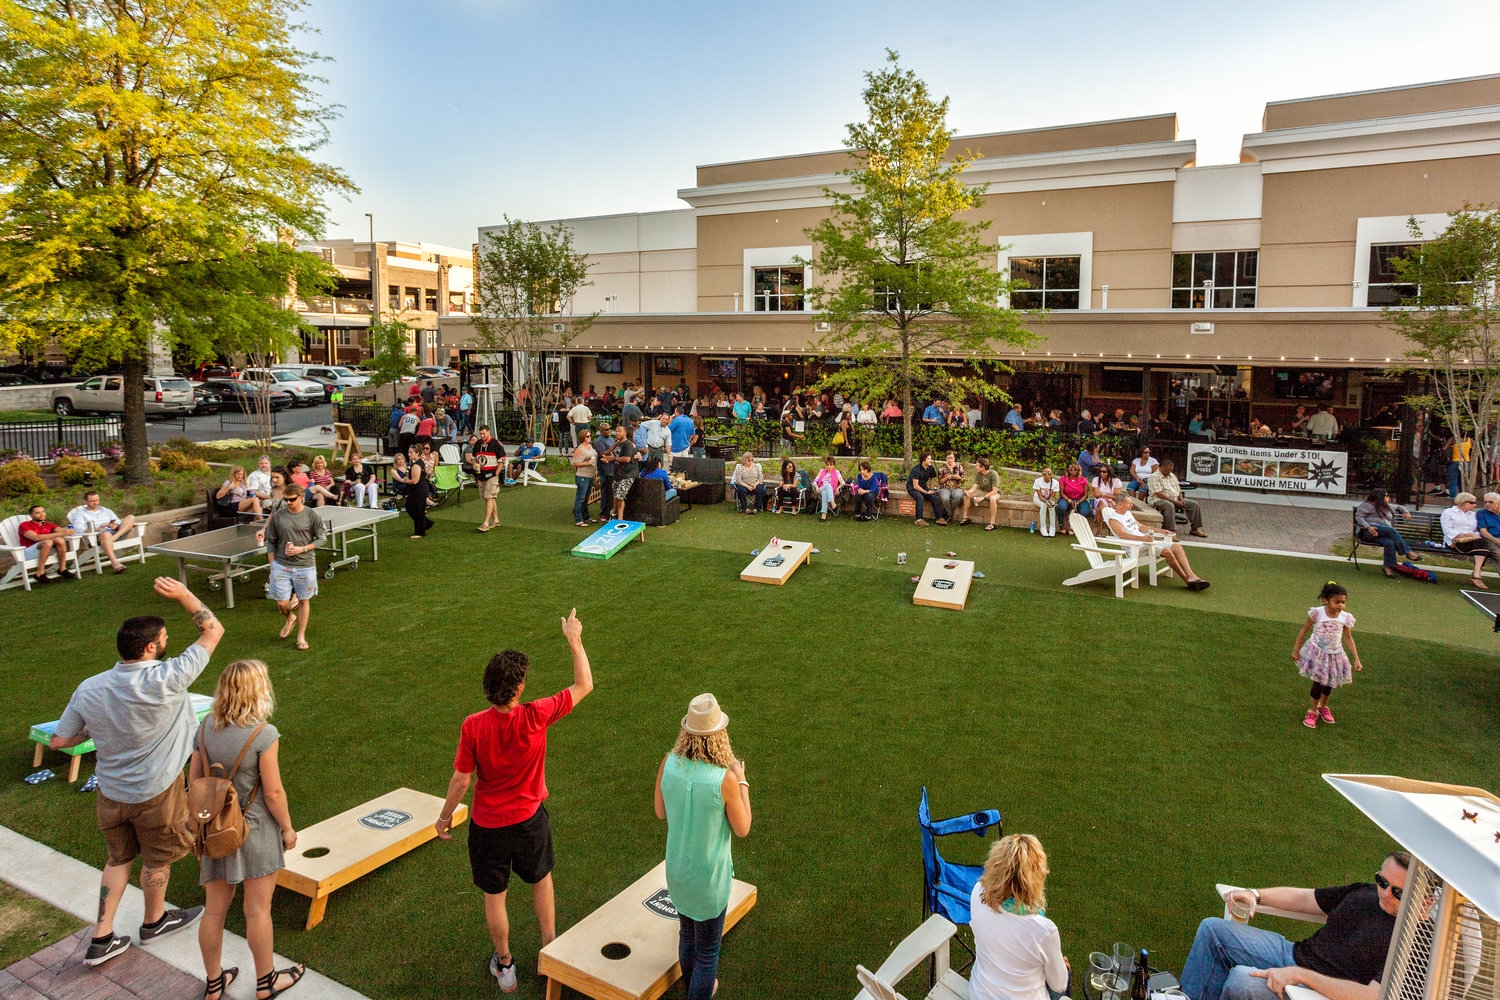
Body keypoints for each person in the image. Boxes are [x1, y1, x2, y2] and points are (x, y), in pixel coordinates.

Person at [49, 578, 224, 966]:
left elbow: (60, 741)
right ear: (150, 647)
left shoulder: (90, 688)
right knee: (156, 861)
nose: (166, 642)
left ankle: (102, 937)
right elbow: (213, 629)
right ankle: (154, 922)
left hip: (111, 792)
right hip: (157, 793)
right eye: (163, 638)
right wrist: (182, 595)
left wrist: (94, 731)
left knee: (118, 860)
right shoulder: (168, 677)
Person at [436, 610, 594, 994]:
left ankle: (505, 964)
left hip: (489, 826)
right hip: (531, 821)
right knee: (541, 881)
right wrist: (574, 639)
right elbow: (584, 684)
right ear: (519, 687)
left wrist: (444, 817)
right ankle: (550, 949)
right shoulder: (536, 714)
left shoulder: (473, 725)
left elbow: (461, 779)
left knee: (496, 896)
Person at [192, 659, 302, 1000]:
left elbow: (194, 782)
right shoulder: (263, 733)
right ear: (259, 691)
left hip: (214, 831)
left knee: (213, 910)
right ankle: (266, 981)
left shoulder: (206, 727)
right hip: (254, 830)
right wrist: (287, 828)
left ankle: (213, 982)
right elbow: (273, 792)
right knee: (256, 911)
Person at [1180, 852, 1410, 1000]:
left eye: (1397, 892)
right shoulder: (1365, 893)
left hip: (1318, 991)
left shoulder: (1414, 940)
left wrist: (1301, 976)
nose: (1386, 893)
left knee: (1241, 981)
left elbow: (1372, 996)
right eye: (1382, 881)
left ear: (1425, 899)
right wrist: (1255, 895)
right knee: (1213, 930)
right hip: (1292, 955)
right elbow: (1306, 899)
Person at [652, 694, 752, 1000]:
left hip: (678, 872)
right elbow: (743, 827)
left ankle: (695, 990)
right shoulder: (725, 780)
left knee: (687, 937)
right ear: (719, 735)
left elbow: (659, 811)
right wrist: (743, 782)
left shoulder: (668, 763)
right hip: (709, 881)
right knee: (708, 953)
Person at [968, 834, 1069, 1000]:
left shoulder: (978, 892)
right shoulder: (1044, 930)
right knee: (1065, 975)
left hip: (979, 994)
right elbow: (1059, 985)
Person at [1292, 581, 1363, 729]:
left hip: (1335, 654)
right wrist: (1296, 650)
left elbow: (1348, 637)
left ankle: (1323, 706)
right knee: (1318, 682)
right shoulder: (1317, 613)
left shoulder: (1345, 617)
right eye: (1337, 602)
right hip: (1317, 653)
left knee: (1329, 682)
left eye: (1343, 602)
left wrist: (1356, 658)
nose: (1341, 606)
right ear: (1326, 600)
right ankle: (1312, 710)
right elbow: (1304, 631)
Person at [1103, 492, 1210, 590]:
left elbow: (1141, 526)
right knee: (1167, 552)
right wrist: (1142, 538)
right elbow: (1122, 535)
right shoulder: (1114, 519)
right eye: (1129, 503)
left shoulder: (1127, 514)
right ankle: (1187, 580)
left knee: (1177, 547)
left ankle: (1191, 575)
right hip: (1136, 548)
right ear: (1120, 504)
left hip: (1146, 543)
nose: (1131, 505)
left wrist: (1161, 531)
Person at [264, 485, 325, 650]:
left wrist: (302, 548)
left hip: (305, 565)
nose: (289, 503)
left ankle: (301, 635)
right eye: (286, 500)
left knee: (304, 600)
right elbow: (271, 541)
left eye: (292, 499)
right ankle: (290, 617)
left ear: (301, 497)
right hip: (281, 565)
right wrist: (272, 564)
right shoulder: (278, 516)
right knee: (282, 603)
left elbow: (322, 538)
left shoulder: (312, 515)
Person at [69, 490, 139, 574]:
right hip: (97, 538)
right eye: (92, 501)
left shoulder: (106, 510)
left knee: (131, 517)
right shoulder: (80, 514)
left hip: (116, 533)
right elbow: (77, 529)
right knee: (106, 534)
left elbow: (119, 522)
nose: (95, 503)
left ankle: (112, 539)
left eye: (97, 500)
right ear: (86, 501)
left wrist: (115, 526)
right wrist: (96, 529)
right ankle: (115, 563)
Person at [1354, 488, 1416, 579]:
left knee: (1389, 542)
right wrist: (1368, 526)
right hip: (1368, 532)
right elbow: (1358, 517)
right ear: (1380, 497)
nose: (1388, 497)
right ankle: (1407, 552)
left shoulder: (1386, 506)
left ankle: (1388, 568)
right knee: (1391, 530)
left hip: (1381, 534)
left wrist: (1406, 512)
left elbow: (1399, 507)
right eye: (1386, 496)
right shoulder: (1368, 505)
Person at [1441, 493, 1489, 588]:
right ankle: (1477, 575)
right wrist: (1461, 535)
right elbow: (1447, 529)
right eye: (1472, 503)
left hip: (1473, 540)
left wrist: (1472, 535)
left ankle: (1476, 572)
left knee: (1482, 543)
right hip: (1456, 541)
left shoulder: (1474, 515)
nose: (1474, 505)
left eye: (1475, 503)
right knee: (1482, 545)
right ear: (1463, 502)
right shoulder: (1448, 512)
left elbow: (1478, 531)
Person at [1149, 460, 1207, 538]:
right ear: (1161, 467)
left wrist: (1181, 500)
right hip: (1158, 500)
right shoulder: (1154, 476)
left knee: (1194, 504)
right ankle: (1170, 532)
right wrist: (1175, 502)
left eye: (1171, 470)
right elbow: (1159, 493)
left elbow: (1178, 489)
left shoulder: (1172, 475)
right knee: (1169, 505)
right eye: (1167, 470)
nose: (1169, 472)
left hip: (1175, 498)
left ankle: (1195, 529)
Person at [469, 426, 504, 533]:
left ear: (488, 432)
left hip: (492, 475)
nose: (482, 436)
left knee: (489, 497)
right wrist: (474, 464)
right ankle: (496, 520)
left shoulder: (496, 444)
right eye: (481, 434)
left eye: (484, 433)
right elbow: (474, 457)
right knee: (488, 498)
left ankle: (486, 523)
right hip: (481, 475)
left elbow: (501, 460)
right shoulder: (478, 444)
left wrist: (496, 474)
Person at [609, 425, 642, 520]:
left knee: (619, 495)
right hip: (618, 473)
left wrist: (614, 458)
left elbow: (627, 459)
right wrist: (608, 458)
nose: (617, 433)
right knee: (617, 496)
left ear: (625, 433)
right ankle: (614, 514)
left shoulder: (628, 444)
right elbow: (611, 454)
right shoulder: (617, 444)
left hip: (628, 473)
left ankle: (619, 518)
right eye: (616, 431)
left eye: (619, 431)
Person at [401, 448, 434, 538]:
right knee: (410, 507)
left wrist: (407, 480)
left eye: (411, 452)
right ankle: (427, 523)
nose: (409, 454)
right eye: (409, 452)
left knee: (417, 509)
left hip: (419, 489)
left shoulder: (416, 465)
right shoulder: (417, 463)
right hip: (418, 489)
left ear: (417, 453)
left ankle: (420, 532)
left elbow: (415, 481)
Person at [961, 457, 1002, 530]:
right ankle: (965, 518)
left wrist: (983, 497)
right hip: (983, 491)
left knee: (992, 498)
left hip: (994, 493)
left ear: (983, 467)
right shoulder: (978, 474)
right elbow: (974, 487)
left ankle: (992, 523)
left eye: (977, 465)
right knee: (967, 496)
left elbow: (995, 491)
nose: (976, 467)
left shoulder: (993, 474)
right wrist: (968, 491)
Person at [907, 452, 944, 526]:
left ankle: (939, 518)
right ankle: (919, 519)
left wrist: (931, 489)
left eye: (931, 458)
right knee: (920, 497)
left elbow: (932, 479)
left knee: (934, 496)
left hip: (923, 486)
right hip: (912, 488)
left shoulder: (931, 468)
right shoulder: (916, 470)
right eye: (929, 459)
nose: (931, 460)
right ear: (923, 460)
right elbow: (915, 486)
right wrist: (926, 492)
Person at [570, 428, 597, 527]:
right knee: (580, 498)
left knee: (586, 498)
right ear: (583, 438)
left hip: (590, 475)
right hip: (582, 476)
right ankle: (578, 519)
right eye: (587, 436)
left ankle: (586, 517)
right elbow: (575, 463)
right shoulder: (580, 449)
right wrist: (587, 463)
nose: (589, 438)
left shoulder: (589, 446)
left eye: (590, 436)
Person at [1055, 462, 1091, 533]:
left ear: (1078, 470)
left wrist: (1078, 502)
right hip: (1066, 498)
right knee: (1061, 507)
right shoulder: (1063, 479)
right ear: (1068, 470)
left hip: (1080, 499)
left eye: (1075, 469)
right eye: (1071, 470)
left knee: (1086, 511)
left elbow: (1085, 495)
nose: (1073, 471)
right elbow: (1061, 493)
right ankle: (1061, 523)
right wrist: (1069, 500)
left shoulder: (1083, 480)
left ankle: (1074, 526)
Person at [936, 452, 966, 524]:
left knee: (959, 496)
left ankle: (946, 513)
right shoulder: (942, 468)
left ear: (954, 458)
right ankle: (949, 514)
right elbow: (940, 482)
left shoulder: (959, 467)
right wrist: (946, 478)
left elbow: (963, 479)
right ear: (946, 459)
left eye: (951, 458)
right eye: (948, 458)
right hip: (944, 488)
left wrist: (959, 478)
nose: (950, 460)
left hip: (956, 488)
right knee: (945, 499)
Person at [813, 456, 843, 522]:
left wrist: (838, 488)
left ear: (834, 465)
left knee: (825, 493)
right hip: (820, 489)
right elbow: (815, 481)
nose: (829, 466)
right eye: (827, 465)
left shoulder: (837, 472)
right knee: (827, 486)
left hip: (831, 492)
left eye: (831, 465)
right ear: (825, 465)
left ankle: (823, 515)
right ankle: (833, 504)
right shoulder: (822, 471)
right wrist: (816, 487)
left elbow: (842, 483)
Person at [1032, 467, 1060, 537]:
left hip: (1048, 499)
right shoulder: (1038, 481)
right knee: (1044, 505)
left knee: (1052, 507)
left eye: (1049, 473)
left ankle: (1052, 527)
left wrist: (1050, 502)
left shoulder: (1055, 483)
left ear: (1051, 474)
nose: (1047, 475)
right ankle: (1043, 527)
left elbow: (1052, 497)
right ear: (1042, 474)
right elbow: (1040, 497)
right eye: (1044, 473)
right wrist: (1046, 502)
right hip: (1038, 498)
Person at [1447, 432, 1473, 498]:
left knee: (1453, 482)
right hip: (1466, 462)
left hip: (1455, 461)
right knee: (1462, 482)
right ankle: (1462, 500)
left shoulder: (1453, 439)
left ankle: (1453, 502)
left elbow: (1444, 448)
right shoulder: (1470, 440)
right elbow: (1475, 450)